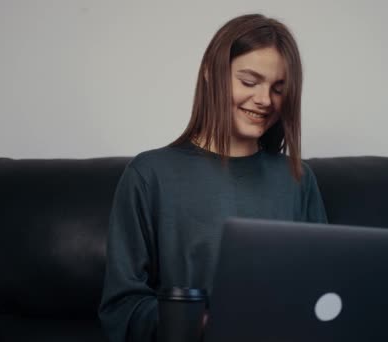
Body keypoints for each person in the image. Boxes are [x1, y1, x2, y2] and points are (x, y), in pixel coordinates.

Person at [98, 13, 328, 342]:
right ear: (211, 74)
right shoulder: (149, 175)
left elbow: (323, 292)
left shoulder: (297, 178)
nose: (264, 100)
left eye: (278, 88)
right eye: (249, 82)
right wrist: (199, 322)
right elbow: (122, 308)